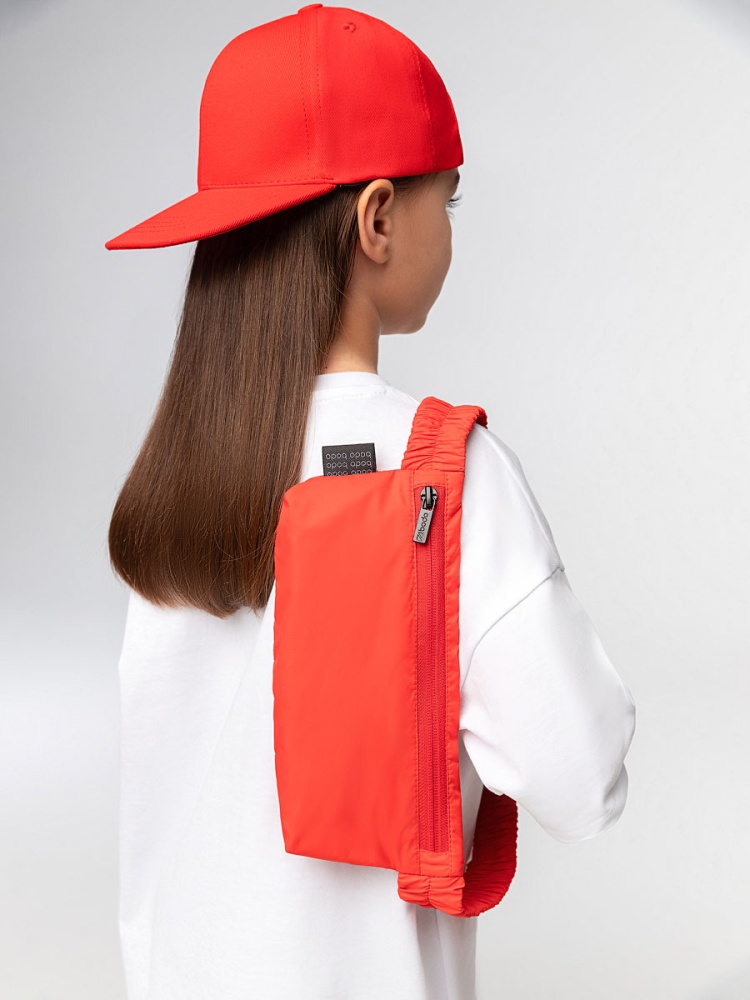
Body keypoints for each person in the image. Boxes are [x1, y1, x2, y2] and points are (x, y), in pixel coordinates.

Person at [105, 6, 636, 1000]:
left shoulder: (177, 477)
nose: (452, 223)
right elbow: (584, 777)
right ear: (379, 219)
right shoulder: (449, 474)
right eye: (450, 197)